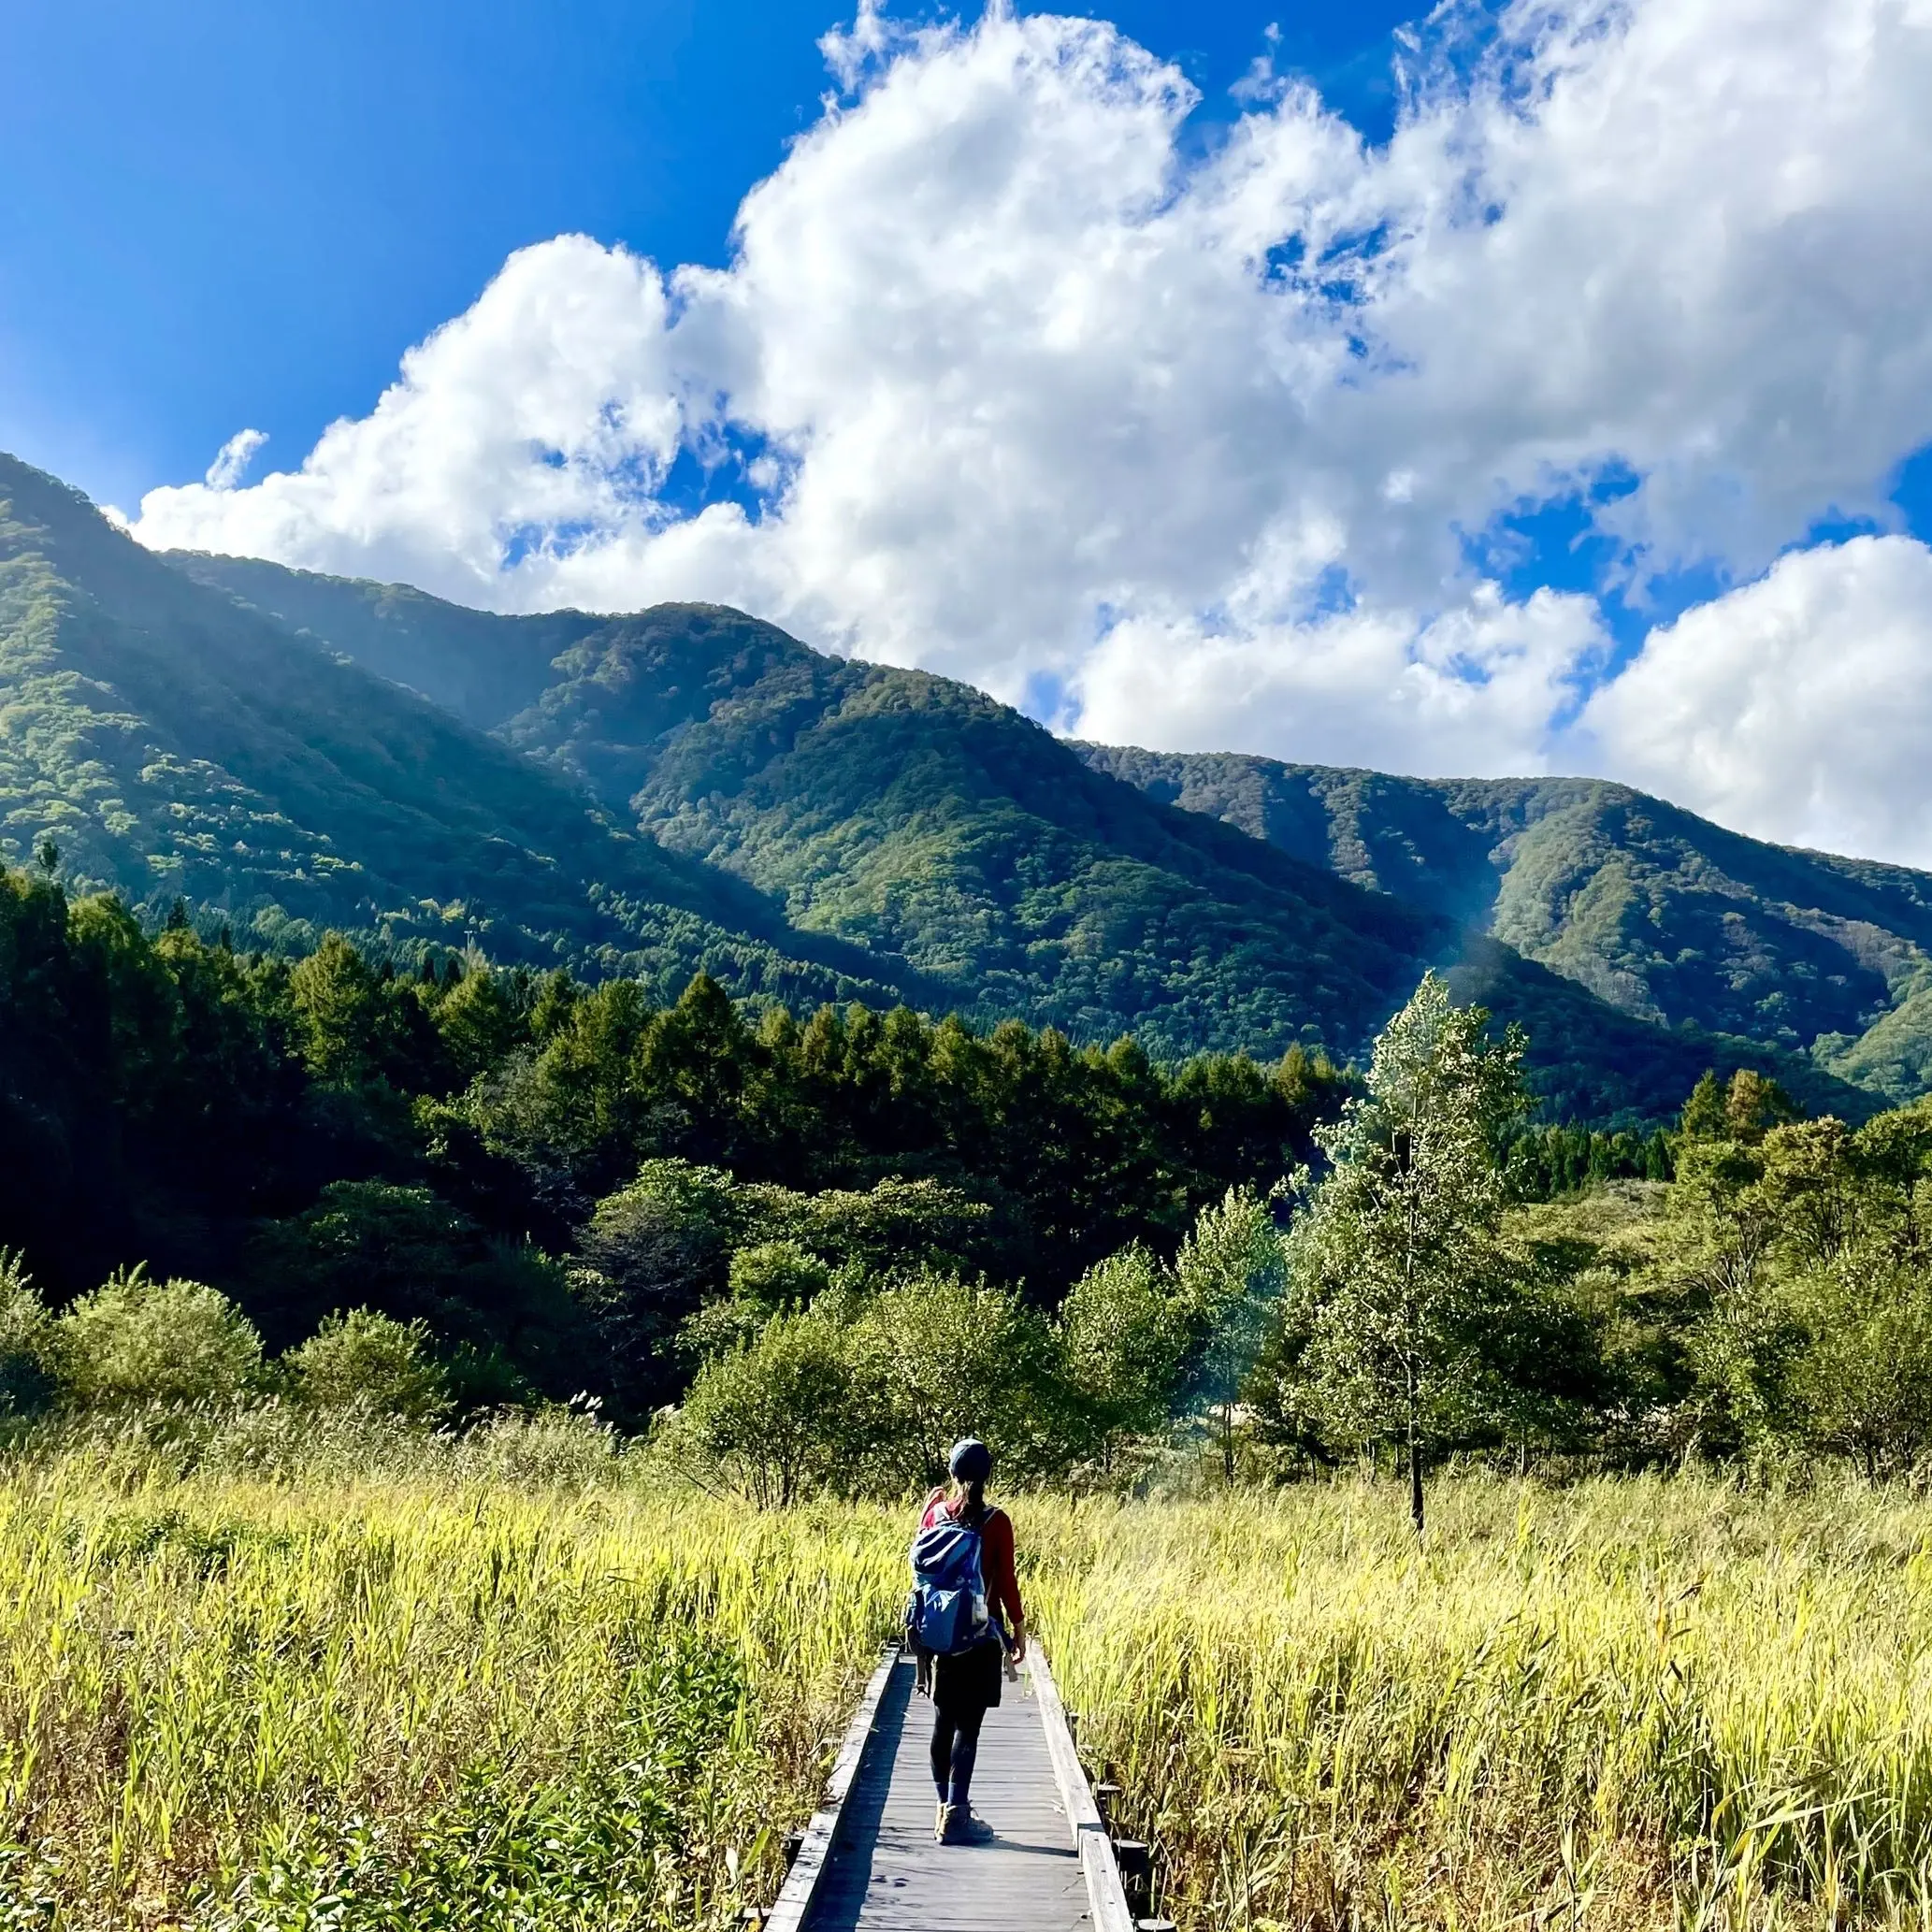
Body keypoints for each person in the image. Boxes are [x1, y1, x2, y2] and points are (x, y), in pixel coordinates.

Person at [919, 1436, 1026, 1846]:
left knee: (943, 1721)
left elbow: (923, 1567)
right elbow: (1008, 1582)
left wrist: (927, 1511)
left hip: (941, 1634)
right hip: (981, 1634)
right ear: (987, 1475)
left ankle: (947, 1807)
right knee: (970, 1725)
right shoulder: (996, 1521)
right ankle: (956, 1815)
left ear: (952, 1472)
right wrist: (1017, 1628)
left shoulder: (935, 1515)